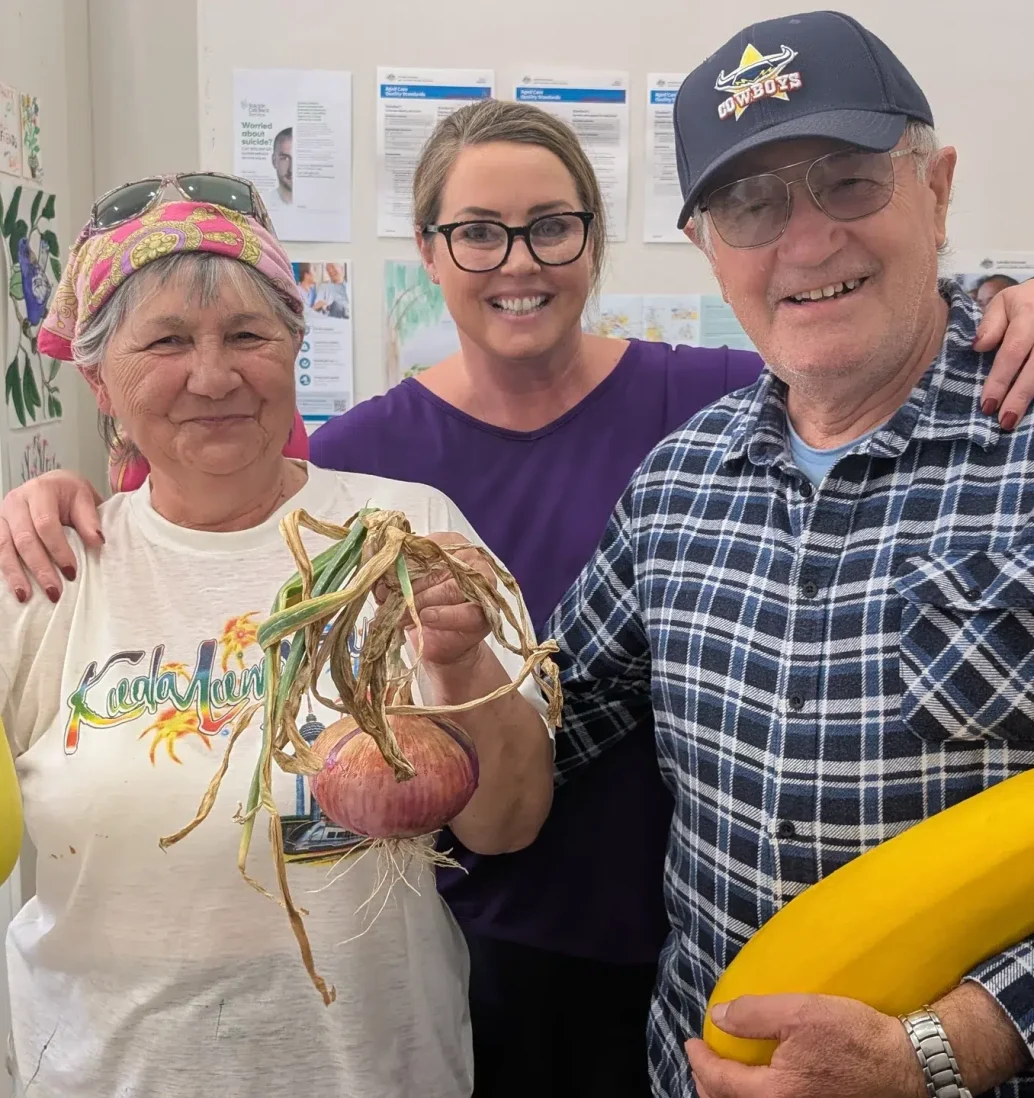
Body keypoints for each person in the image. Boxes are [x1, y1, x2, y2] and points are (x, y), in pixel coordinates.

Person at [4, 100, 1034, 1098]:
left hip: (631, 957)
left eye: (551, 227)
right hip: (474, 939)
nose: (518, 261)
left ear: (595, 237)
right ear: (429, 248)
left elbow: (840, 334)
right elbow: (205, 491)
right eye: (477, 233)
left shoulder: (704, 413)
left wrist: (987, 305)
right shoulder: (364, 462)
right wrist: (61, 501)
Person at [548, 11, 1034, 1098]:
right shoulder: (676, 480)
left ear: (937, 187)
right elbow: (538, 727)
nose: (805, 242)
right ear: (705, 246)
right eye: (749, 204)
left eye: (848, 180)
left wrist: (949, 1042)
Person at [0, 183, 553, 1098]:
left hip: (377, 1074)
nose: (214, 376)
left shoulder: (401, 534)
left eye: (248, 336)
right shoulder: (50, 572)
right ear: (99, 379)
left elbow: (507, 825)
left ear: (296, 346)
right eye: (167, 341)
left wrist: (458, 659)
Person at [263, 126, 293, 209]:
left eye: (298, 158)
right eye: (285, 158)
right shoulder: (262, 206)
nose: (291, 169)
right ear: (274, 161)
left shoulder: (321, 203)